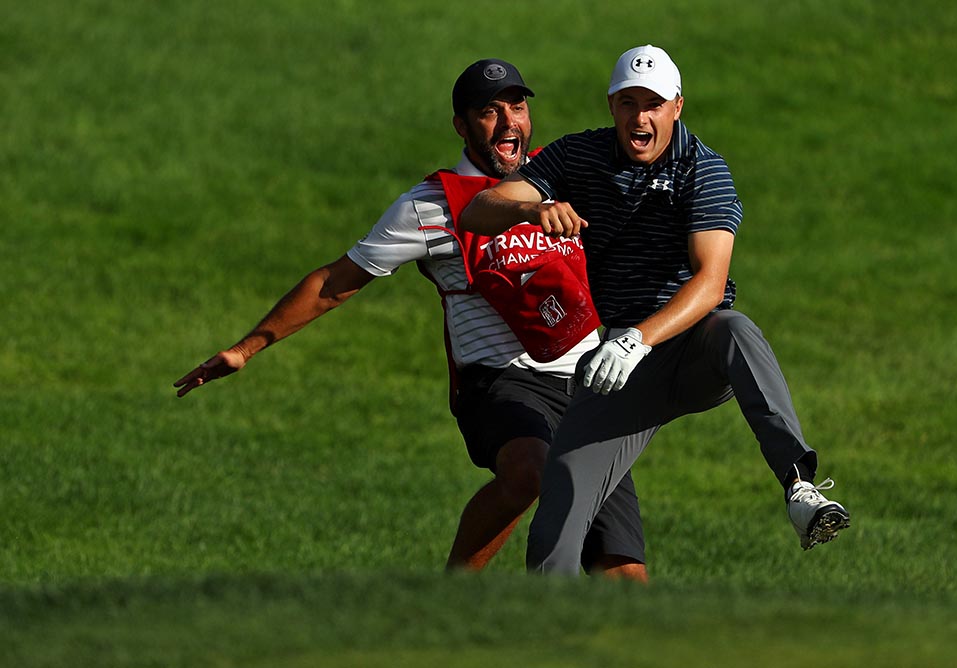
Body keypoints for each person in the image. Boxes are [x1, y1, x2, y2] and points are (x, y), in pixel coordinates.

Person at [174, 58, 648, 581]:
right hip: (499, 385)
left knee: (625, 577)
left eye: (517, 106)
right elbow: (334, 284)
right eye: (489, 111)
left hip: (589, 384)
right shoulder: (430, 206)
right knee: (530, 470)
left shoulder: (564, 173)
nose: (509, 121)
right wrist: (246, 348)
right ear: (462, 127)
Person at [461, 45, 851, 575]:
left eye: (653, 104)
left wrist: (636, 339)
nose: (639, 117)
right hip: (621, 367)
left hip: (688, 347)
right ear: (611, 106)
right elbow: (476, 211)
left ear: (677, 107)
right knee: (558, 515)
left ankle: (799, 486)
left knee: (735, 328)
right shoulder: (581, 156)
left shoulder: (704, 169)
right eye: (627, 103)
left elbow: (710, 284)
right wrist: (533, 207)